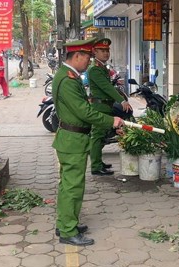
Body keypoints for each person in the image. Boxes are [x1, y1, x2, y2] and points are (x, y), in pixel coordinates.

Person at [52, 38, 124, 246]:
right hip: (72, 141)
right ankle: (67, 230)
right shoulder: (67, 80)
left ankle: (65, 222)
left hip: (71, 139)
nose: (88, 61)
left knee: (67, 185)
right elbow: (83, 111)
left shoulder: (69, 76)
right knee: (73, 187)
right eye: (87, 57)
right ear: (76, 57)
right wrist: (112, 120)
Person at [88, 38, 132, 175]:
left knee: (102, 137)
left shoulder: (103, 68)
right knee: (97, 136)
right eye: (102, 51)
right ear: (95, 52)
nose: (106, 53)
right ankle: (95, 167)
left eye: (107, 50)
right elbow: (107, 88)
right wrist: (122, 100)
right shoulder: (94, 70)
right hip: (100, 107)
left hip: (106, 106)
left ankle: (98, 162)